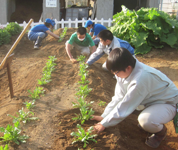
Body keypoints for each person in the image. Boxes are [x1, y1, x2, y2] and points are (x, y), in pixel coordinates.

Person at [92, 47, 178, 148]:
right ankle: (152, 121)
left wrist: (104, 124)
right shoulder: (125, 70)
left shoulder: (141, 79)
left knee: (146, 121)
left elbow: (126, 105)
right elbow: (119, 97)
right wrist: (104, 116)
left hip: (168, 103)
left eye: (116, 73)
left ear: (128, 68)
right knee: (133, 110)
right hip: (150, 100)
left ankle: (160, 132)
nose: (116, 76)